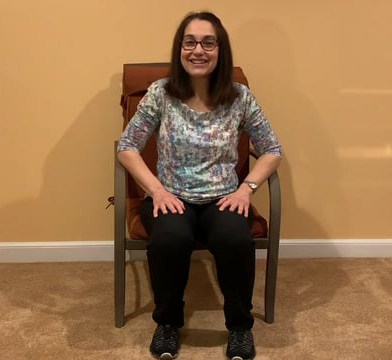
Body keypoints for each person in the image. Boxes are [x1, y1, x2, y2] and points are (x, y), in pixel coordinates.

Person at [117, 11, 282, 360]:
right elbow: (127, 147)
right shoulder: (161, 94)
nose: (198, 50)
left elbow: (272, 150)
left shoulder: (239, 97)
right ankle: (167, 323)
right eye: (190, 42)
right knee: (169, 239)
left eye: (208, 43)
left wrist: (246, 188)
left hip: (224, 197)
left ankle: (239, 328)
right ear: (180, 49)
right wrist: (156, 190)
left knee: (234, 238)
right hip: (170, 196)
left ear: (221, 51)